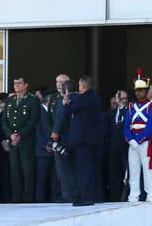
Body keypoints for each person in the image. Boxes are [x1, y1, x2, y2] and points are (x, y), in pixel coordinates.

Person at [62, 76, 103, 206]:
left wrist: (66, 99)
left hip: (83, 140)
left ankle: (86, 197)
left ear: (84, 87)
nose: (78, 89)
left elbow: (68, 110)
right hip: (90, 140)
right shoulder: (94, 98)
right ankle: (89, 196)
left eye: (80, 86)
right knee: (88, 168)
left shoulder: (84, 99)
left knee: (84, 169)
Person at [124, 70, 152, 203]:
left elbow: (151, 125)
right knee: (133, 170)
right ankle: (133, 195)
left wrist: (140, 139)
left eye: (141, 90)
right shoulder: (130, 106)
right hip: (133, 141)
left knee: (148, 169)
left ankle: (151, 195)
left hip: (145, 141)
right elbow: (126, 125)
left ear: (146, 90)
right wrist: (131, 139)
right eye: (136, 90)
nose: (138, 92)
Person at [3, 77, 40, 203]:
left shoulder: (32, 100)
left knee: (27, 170)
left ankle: (27, 197)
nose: (16, 85)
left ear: (26, 85)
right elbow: (4, 120)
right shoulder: (10, 100)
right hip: (13, 141)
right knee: (14, 170)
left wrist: (20, 135)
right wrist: (10, 135)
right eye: (15, 83)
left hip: (26, 140)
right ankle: (16, 197)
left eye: (19, 83)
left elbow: (33, 120)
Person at [48, 74, 75, 203]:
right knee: (60, 168)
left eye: (62, 82)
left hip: (66, 136)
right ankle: (65, 193)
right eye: (57, 81)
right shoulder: (54, 98)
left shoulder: (71, 97)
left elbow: (62, 117)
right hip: (56, 137)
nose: (59, 84)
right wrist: (52, 134)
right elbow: (50, 118)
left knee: (67, 168)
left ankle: (69, 194)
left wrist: (56, 132)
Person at [107, 90, 129, 202]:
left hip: (126, 149)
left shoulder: (129, 111)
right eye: (121, 99)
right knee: (114, 176)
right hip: (113, 150)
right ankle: (114, 199)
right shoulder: (111, 113)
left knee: (126, 177)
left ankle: (126, 199)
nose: (123, 101)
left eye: (125, 99)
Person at [35, 90, 56, 202]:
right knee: (41, 179)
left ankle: (53, 199)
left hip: (53, 150)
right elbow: (37, 131)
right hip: (42, 151)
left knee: (54, 178)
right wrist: (45, 145)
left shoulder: (50, 112)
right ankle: (40, 201)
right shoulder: (39, 111)